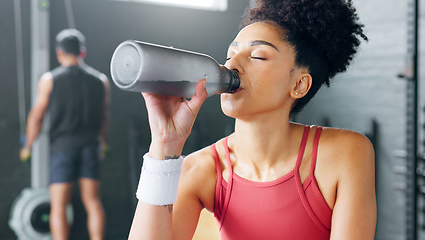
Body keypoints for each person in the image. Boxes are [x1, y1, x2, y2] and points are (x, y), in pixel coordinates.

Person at [128, 0, 376, 239]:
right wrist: (164, 145)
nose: (231, 64)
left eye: (257, 56)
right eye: (230, 54)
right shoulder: (200, 170)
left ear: (299, 84)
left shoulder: (346, 153)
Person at [19, 29, 110, 240]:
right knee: (93, 202)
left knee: (59, 205)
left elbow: (36, 117)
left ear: (59, 53)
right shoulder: (101, 80)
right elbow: (104, 117)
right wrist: (103, 144)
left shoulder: (49, 79)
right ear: (83, 52)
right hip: (90, 146)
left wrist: (28, 147)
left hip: (63, 148)